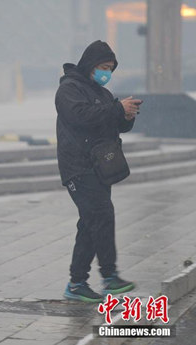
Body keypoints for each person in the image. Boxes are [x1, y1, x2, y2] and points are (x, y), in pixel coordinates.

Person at [55, 40, 142, 303]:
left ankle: (77, 282)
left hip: (100, 166)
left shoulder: (102, 93)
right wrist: (116, 108)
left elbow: (111, 122)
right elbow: (81, 116)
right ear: (91, 65)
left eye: (111, 69)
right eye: (104, 67)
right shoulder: (69, 89)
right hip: (78, 167)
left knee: (90, 223)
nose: (107, 73)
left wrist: (126, 116)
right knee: (102, 214)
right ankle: (109, 277)